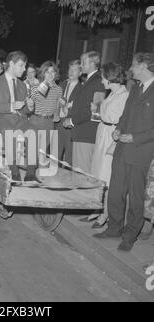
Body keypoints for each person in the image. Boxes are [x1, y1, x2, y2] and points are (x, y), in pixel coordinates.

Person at [94, 53, 154, 252]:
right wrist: (118, 129)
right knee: (116, 192)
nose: (131, 69)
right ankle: (114, 228)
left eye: (134, 65)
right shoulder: (135, 88)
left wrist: (136, 138)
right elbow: (125, 115)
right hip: (122, 150)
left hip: (140, 153)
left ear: (144, 66)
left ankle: (129, 235)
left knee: (136, 198)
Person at [83, 63, 128, 228]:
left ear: (110, 78)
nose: (101, 81)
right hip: (103, 135)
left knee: (106, 178)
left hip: (111, 139)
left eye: (103, 77)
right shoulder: (112, 93)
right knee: (97, 175)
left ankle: (105, 214)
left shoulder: (123, 95)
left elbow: (113, 118)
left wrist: (99, 108)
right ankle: (97, 208)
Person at [0, 50, 37, 182]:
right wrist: (11, 106)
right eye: (21, 65)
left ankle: (31, 173)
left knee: (33, 131)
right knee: (9, 131)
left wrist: (29, 107)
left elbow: (24, 110)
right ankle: (14, 171)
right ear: (11, 64)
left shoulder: (22, 86)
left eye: (25, 66)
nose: (24, 69)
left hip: (17, 119)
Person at [63, 51, 106, 173]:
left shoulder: (98, 81)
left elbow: (94, 110)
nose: (81, 65)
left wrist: (72, 120)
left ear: (92, 63)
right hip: (82, 131)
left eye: (83, 62)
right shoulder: (89, 80)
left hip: (86, 133)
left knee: (82, 172)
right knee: (80, 170)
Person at [29, 61, 62, 170]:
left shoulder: (58, 89)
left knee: (42, 153)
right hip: (36, 120)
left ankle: (38, 175)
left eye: (53, 72)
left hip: (49, 122)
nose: (50, 74)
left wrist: (56, 115)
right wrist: (46, 83)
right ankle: (30, 174)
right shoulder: (36, 86)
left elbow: (57, 106)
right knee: (32, 151)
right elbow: (36, 97)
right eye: (47, 72)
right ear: (43, 73)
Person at [57, 60, 83, 166]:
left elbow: (81, 108)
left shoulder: (81, 89)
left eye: (75, 70)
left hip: (70, 124)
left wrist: (67, 107)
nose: (71, 72)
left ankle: (67, 179)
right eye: (70, 69)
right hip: (57, 122)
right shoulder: (61, 85)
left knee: (69, 155)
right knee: (55, 153)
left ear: (80, 73)